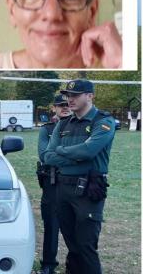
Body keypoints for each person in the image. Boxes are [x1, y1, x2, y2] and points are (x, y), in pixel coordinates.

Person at [44, 79, 115, 274]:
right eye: (68, 95)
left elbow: (89, 151)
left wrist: (62, 150)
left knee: (86, 246)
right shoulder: (64, 123)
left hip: (89, 190)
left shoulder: (103, 121)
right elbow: (48, 157)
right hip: (63, 189)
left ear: (90, 96)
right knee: (72, 245)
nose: (69, 99)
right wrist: (76, 156)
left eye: (75, 95)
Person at [36, 94, 72, 274]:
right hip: (53, 182)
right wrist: (72, 155)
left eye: (67, 104)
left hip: (75, 183)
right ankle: (49, 264)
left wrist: (58, 153)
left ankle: (74, 264)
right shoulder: (47, 129)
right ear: (54, 108)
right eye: (60, 105)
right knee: (51, 224)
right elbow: (44, 156)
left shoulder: (80, 127)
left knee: (76, 226)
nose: (65, 107)